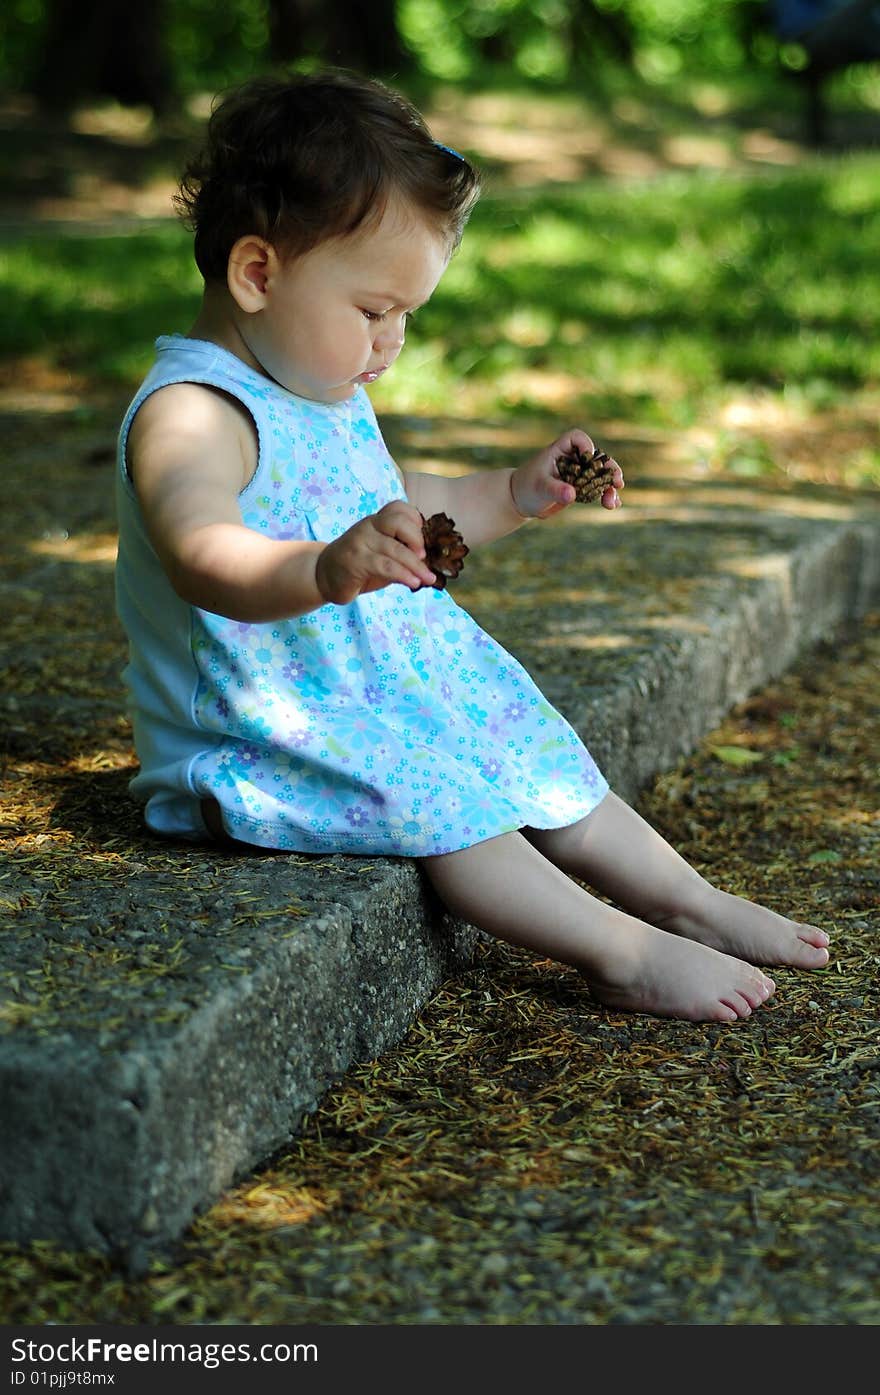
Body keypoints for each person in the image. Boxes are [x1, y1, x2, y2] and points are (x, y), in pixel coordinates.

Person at [114, 70, 830, 1025]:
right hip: (258, 735)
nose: (392, 341)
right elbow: (203, 551)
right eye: (374, 310)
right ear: (257, 274)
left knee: (528, 740)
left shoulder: (318, 385)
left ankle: (683, 896)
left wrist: (513, 495)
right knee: (446, 799)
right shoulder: (192, 413)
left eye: (408, 315)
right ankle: (619, 949)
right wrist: (323, 568)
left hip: (367, 683)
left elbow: (400, 503)